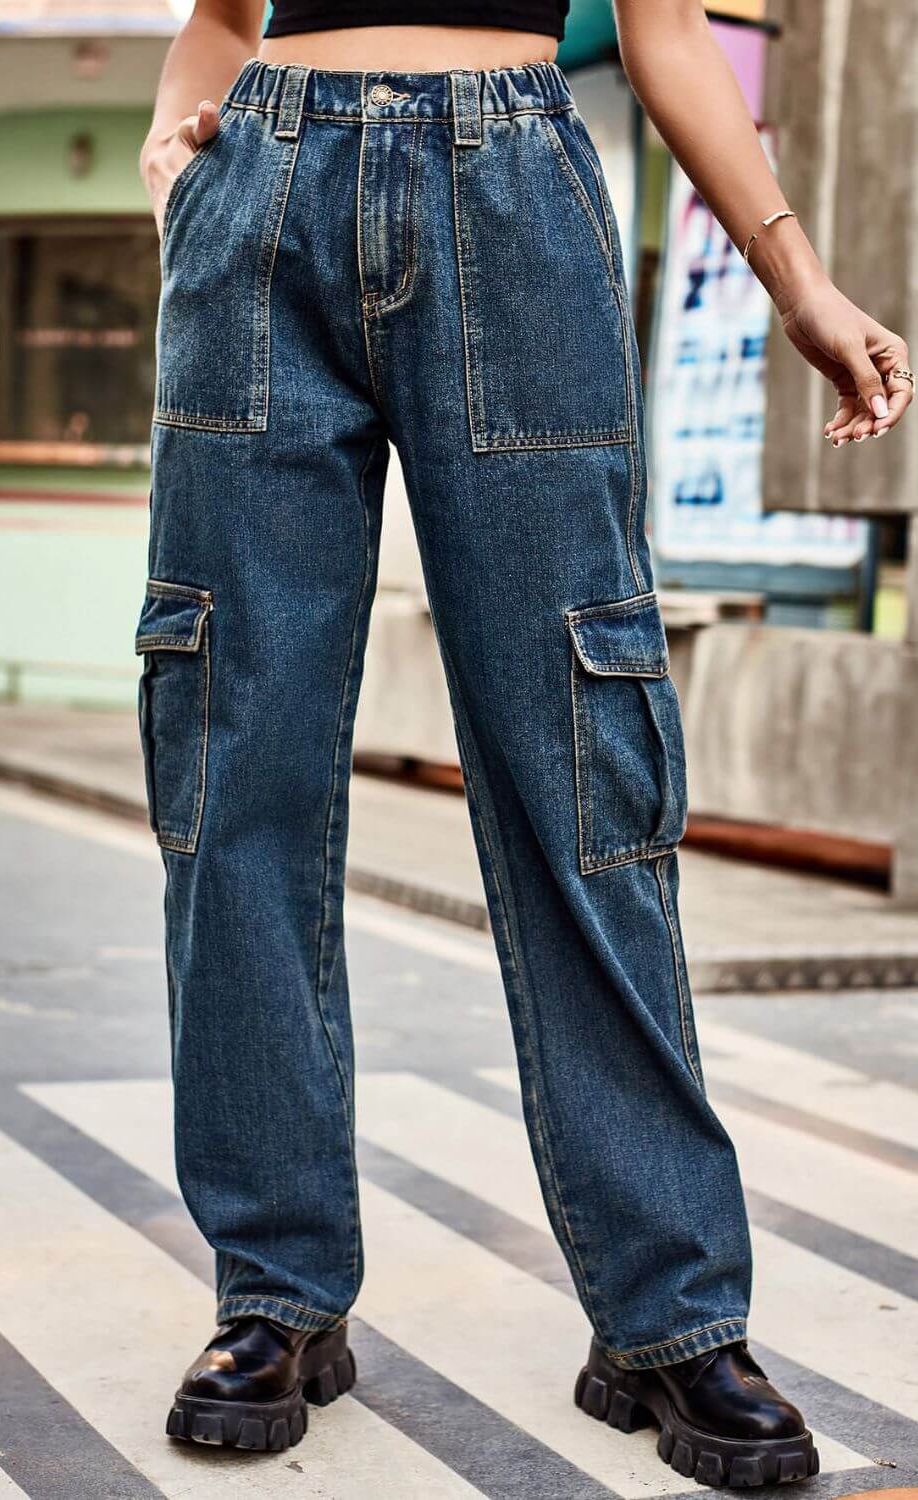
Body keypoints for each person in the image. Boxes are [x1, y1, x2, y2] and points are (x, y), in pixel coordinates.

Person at [138, 0, 912, 1484]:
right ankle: (275, 1293)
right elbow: (226, 17)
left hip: (511, 187)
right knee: (235, 759)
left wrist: (795, 278)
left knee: (582, 762)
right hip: (259, 197)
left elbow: (665, 27)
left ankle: (669, 1316)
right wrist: (178, 184)